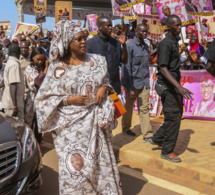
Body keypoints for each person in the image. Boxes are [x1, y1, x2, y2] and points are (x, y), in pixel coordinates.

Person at [35, 20, 122, 195]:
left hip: (96, 127)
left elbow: (107, 83)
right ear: (67, 43)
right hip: (70, 131)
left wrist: (104, 89)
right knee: (76, 171)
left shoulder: (97, 61)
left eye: (84, 38)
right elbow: (42, 100)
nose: (84, 42)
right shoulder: (57, 68)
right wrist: (69, 100)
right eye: (79, 39)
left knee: (99, 167)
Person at [147, 15, 193, 163]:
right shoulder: (166, 43)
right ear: (168, 26)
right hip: (168, 87)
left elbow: (171, 63)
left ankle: (157, 138)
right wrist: (179, 86)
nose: (180, 28)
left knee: (174, 115)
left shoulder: (173, 42)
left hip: (172, 86)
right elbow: (163, 68)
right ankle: (167, 151)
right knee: (174, 119)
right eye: (177, 25)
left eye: (180, 25)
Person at [121, 23, 153, 138]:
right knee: (128, 108)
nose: (145, 33)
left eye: (146, 31)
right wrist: (130, 88)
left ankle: (147, 135)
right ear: (136, 31)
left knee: (144, 108)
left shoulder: (145, 46)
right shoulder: (129, 46)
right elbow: (126, 67)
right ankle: (126, 128)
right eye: (143, 31)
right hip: (132, 84)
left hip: (144, 82)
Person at [86, 16, 128, 94]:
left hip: (114, 87)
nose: (110, 28)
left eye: (111, 25)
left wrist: (124, 45)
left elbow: (124, 61)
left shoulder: (116, 43)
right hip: (98, 89)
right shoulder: (90, 44)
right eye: (108, 26)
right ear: (100, 27)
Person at [25, 47, 48, 143]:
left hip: (41, 102)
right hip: (32, 100)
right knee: (28, 125)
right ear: (33, 58)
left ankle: (38, 146)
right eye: (38, 59)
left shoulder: (43, 68)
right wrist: (46, 68)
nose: (40, 62)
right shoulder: (29, 69)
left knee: (39, 126)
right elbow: (37, 82)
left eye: (42, 60)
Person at [2, 43, 24, 122]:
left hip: (10, 102)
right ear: (19, 53)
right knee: (17, 129)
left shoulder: (9, 62)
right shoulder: (14, 64)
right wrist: (14, 105)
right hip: (13, 104)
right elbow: (13, 84)